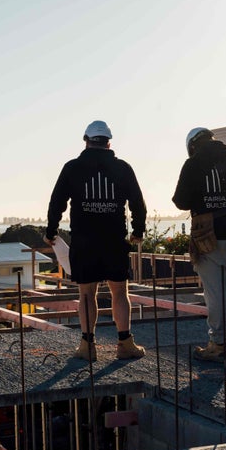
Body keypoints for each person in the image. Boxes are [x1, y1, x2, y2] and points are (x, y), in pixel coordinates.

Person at [44, 120, 147, 361]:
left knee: (86, 294)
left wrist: (51, 231)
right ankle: (125, 344)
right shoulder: (122, 168)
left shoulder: (72, 168)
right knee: (119, 292)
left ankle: (87, 346)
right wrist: (138, 231)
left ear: (86, 141)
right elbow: (138, 203)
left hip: (84, 241)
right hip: (114, 240)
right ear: (108, 143)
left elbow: (56, 202)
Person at [172, 127, 226, 361]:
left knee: (214, 293)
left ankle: (217, 344)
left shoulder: (193, 164)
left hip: (207, 236)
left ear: (192, 146)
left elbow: (180, 201)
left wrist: (203, 197)